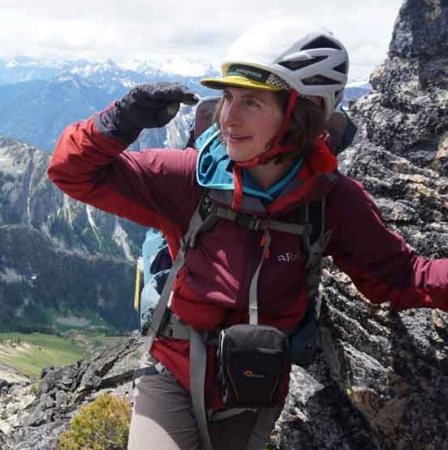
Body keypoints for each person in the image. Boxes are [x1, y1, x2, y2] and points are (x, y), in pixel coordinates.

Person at [47, 20, 448, 450]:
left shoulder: (332, 200)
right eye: (228, 98)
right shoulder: (188, 180)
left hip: (254, 391)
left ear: (303, 113)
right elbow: (72, 172)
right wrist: (118, 120)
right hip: (173, 375)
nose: (228, 118)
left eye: (252, 103)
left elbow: (400, 275)